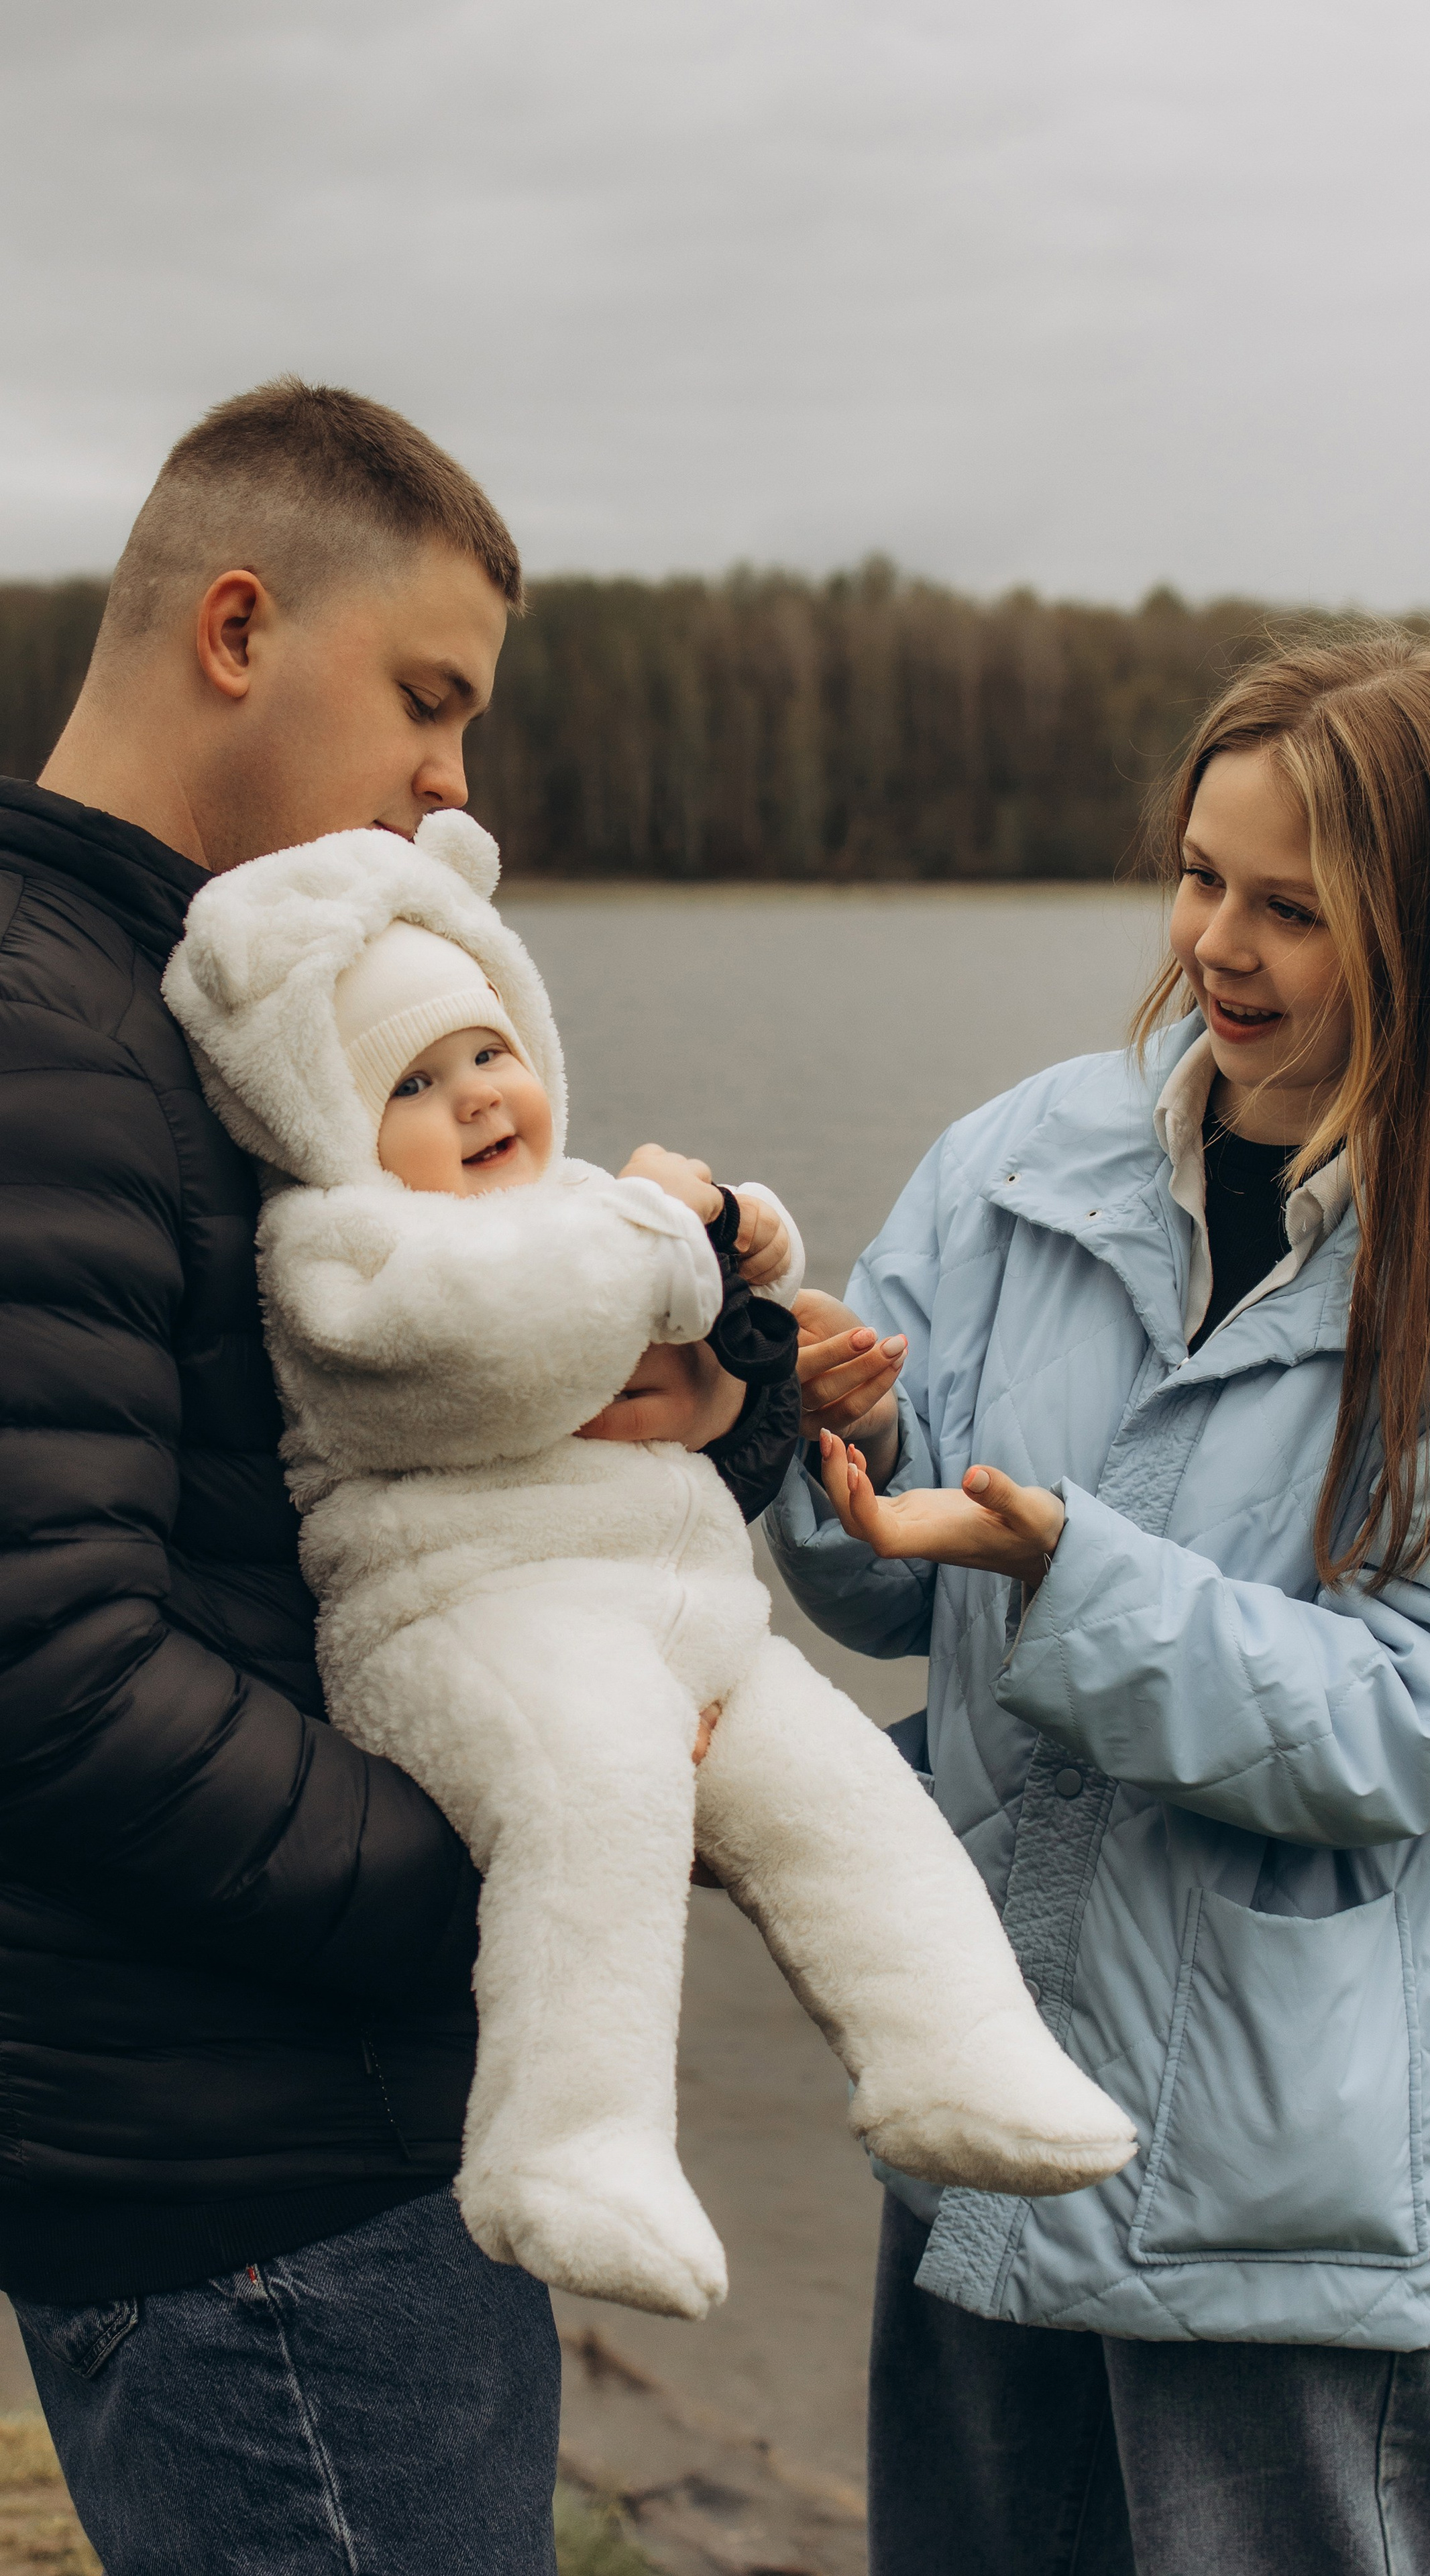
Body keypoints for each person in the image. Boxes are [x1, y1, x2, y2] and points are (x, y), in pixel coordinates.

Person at [774, 630, 1430, 2576]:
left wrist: (1065, 1573)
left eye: (1293, 906)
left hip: (1281, 2213)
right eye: (1202, 874)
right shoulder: (1016, 1161)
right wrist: (812, 1443)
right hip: (979, 2082)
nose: (1218, 941)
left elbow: (1423, 1721)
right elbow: (875, 1588)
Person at [0, 378, 776, 2575]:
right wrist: (499, 1877)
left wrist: (736, 1386)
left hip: (284, 2153)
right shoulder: (49, 1034)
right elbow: (46, 1664)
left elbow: (421, 1380)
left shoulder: (209, 998)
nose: (458, 784)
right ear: (238, 629)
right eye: (430, 702)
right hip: (266, 2206)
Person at [159, 813, 1134, 2322]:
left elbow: (735, 1264)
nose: (473, 1099)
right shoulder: (346, 1255)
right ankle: (565, 2143)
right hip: (462, 1619)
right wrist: (662, 1236)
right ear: (336, 1127)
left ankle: (955, 2054)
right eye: (410, 1086)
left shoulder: (565, 1205)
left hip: (674, 1616)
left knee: (845, 1792)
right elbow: (509, 1343)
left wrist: (732, 1235)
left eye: (486, 1054)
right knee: (601, 1787)